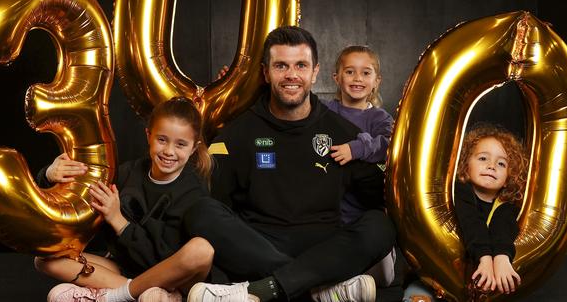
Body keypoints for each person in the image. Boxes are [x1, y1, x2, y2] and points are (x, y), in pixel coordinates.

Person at [184, 26, 396, 302]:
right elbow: (217, 203)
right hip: (259, 246)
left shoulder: (342, 132)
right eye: (281, 66)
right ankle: (319, 288)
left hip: (325, 246)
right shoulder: (240, 131)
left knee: (380, 225)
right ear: (265, 73)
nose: (291, 75)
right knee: (199, 211)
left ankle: (265, 289)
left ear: (315, 71)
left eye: (301, 65)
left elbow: (375, 194)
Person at [34, 97, 215, 302]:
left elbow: (164, 259)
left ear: (193, 148)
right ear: (149, 135)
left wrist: (119, 221)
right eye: (162, 139)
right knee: (46, 259)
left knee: (199, 251)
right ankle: (134, 292)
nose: (169, 151)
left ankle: (114, 296)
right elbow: (82, 188)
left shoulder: (193, 193)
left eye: (181, 144)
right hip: (124, 269)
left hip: (169, 274)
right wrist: (49, 175)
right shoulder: (129, 172)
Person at [403, 123, 528, 301]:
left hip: (472, 280)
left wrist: (502, 256)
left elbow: (503, 231)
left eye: (501, 163)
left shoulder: (505, 206)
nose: (492, 166)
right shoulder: (457, 192)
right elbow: (471, 222)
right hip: (435, 273)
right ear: (465, 164)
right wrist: (485, 258)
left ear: (509, 176)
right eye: (483, 159)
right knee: (420, 293)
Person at [324, 45, 396, 287]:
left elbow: (389, 146)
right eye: (350, 72)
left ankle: (378, 258)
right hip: (331, 208)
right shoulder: (325, 111)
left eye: (366, 73)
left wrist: (355, 148)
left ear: (377, 81)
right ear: (337, 77)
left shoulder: (379, 118)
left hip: (364, 208)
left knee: (383, 278)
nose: (357, 79)